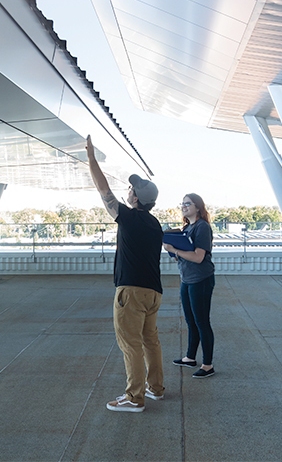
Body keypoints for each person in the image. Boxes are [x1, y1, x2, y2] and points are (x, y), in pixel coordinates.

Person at [86, 135, 165, 413]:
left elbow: (103, 190)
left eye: (132, 188)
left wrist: (92, 159)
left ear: (135, 197)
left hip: (130, 292)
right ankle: (155, 388)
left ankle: (134, 398)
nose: (128, 189)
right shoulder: (155, 225)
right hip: (153, 292)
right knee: (149, 341)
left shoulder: (128, 217)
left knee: (130, 344)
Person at [163, 194, 216, 378]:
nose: (183, 206)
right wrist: (173, 251)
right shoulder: (188, 227)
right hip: (187, 278)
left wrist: (174, 250)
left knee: (202, 322)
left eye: (188, 203)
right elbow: (185, 255)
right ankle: (190, 357)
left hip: (200, 279)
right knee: (190, 321)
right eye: (182, 204)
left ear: (198, 207)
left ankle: (208, 365)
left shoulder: (202, 227)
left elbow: (199, 257)